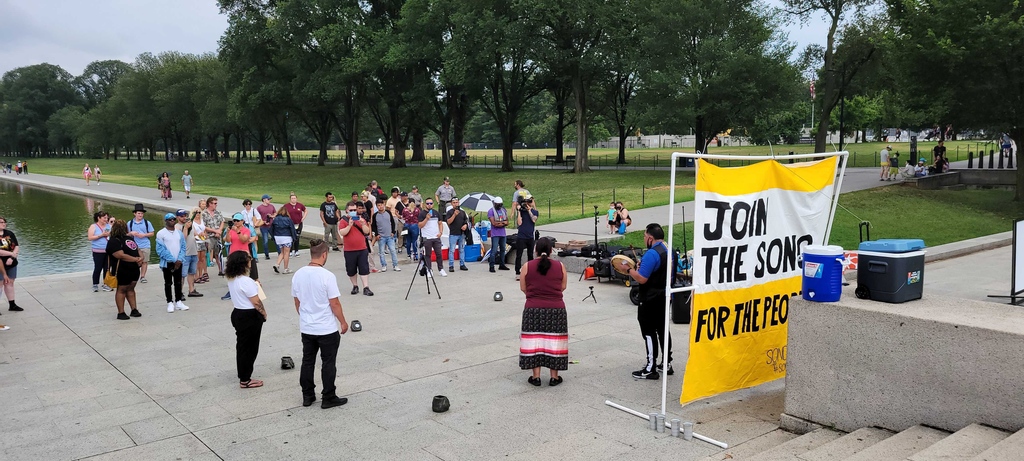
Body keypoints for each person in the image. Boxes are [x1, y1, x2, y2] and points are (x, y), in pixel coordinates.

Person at [292, 239, 349, 409]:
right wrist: (343, 322)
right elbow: (335, 304)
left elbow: (297, 302)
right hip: (326, 328)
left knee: (307, 361)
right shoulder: (327, 276)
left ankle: (308, 395)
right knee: (328, 362)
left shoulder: (298, 274)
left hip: (307, 327)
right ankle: (328, 396)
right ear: (324, 255)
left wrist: (305, 317)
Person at [615, 223, 674, 380]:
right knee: (663, 330)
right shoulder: (669, 249)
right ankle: (667, 363)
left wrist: (629, 270)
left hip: (650, 298)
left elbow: (642, 279)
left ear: (650, 238)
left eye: (644, 237)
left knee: (648, 332)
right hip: (664, 296)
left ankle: (650, 368)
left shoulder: (651, 254)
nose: (644, 239)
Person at [519, 237, 568, 386]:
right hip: (556, 309)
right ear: (551, 250)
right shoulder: (560, 266)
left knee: (535, 340)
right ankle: (554, 377)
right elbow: (563, 286)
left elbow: (523, 287)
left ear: (535, 250)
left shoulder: (527, 266)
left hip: (533, 309)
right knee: (555, 341)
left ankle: (536, 377)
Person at [225, 251, 267, 389]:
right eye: (249, 259)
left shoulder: (232, 278)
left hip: (238, 312)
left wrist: (254, 284)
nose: (251, 260)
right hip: (249, 316)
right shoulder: (246, 281)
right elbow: (256, 302)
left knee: (242, 346)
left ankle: (244, 376)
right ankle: (245, 379)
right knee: (250, 348)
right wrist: (264, 313)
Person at [106, 219, 143, 320]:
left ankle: (134, 309)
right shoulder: (113, 241)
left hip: (133, 268)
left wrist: (141, 258)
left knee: (130, 288)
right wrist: (136, 259)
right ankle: (121, 312)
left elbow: (138, 249)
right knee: (122, 289)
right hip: (122, 269)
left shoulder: (129, 238)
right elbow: (119, 255)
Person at [156, 213, 189, 313]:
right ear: (166, 221)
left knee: (178, 282)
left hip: (179, 261)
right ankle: (169, 302)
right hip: (168, 263)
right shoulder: (161, 233)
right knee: (168, 283)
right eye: (170, 219)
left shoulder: (179, 233)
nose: (172, 221)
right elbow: (160, 250)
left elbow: (183, 246)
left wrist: (180, 259)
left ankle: (178, 301)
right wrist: (173, 260)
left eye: (174, 219)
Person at [339, 201, 374, 295]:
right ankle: (355, 285)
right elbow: (342, 233)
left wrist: (363, 224)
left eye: (355, 209)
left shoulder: (360, 219)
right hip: (349, 250)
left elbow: (366, 231)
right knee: (351, 269)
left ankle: (366, 287)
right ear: (347, 210)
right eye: (351, 210)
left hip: (362, 248)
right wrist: (349, 225)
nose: (354, 211)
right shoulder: (343, 221)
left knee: (364, 268)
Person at [176, 209, 202, 298]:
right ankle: (179, 292)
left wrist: (201, 235)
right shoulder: (177, 227)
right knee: (182, 274)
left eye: (185, 216)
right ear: (177, 217)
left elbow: (195, 234)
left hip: (193, 251)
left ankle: (191, 290)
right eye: (182, 216)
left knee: (192, 272)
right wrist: (186, 228)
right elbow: (183, 238)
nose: (184, 218)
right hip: (185, 254)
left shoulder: (191, 224)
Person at [127, 204, 154, 283]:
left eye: (142, 213)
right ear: (134, 213)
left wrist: (144, 235)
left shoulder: (147, 223)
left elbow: (152, 233)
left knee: (145, 261)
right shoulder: (130, 223)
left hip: (145, 244)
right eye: (139, 213)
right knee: (134, 261)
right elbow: (126, 234)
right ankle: (133, 275)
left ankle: (142, 276)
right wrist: (131, 233)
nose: (140, 215)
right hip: (133, 245)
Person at [418, 198, 446, 277]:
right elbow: (420, 225)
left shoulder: (436, 213)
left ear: (433, 204)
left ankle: (441, 269)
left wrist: (440, 232)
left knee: (439, 254)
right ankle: (429, 269)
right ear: (425, 205)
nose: (429, 205)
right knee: (428, 254)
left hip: (436, 237)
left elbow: (440, 223)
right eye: (427, 203)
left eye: (430, 203)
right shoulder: (422, 214)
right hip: (427, 237)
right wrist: (426, 219)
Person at [514, 195, 539, 281]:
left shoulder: (535, 212)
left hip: (530, 237)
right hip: (521, 236)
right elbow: (519, 223)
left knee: (530, 255)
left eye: (531, 201)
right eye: (529, 201)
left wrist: (529, 211)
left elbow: (534, 220)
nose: (530, 203)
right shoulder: (522, 211)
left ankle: (530, 271)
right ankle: (517, 272)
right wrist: (519, 211)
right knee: (519, 255)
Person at [372, 200, 401, 272]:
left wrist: (393, 232)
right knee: (381, 252)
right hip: (381, 236)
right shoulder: (375, 215)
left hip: (389, 236)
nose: (380, 206)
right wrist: (376, 234)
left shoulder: (388, 213)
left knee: (393, 250)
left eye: (381, 205)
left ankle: (395, 265)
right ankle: (384, 265)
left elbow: (392, 222)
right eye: (378, 205)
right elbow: (374, 226)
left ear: (384, 205)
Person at [88, 211, 113, 293]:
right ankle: (95, 284)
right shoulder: (93, 226)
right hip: (97, 251)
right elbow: (90, 237)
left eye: (106, 218)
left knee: (107, 268)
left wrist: (109, 235)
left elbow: (113, 236)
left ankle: (106, 284)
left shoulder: (109, 226)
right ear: (98, 218)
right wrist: (101, 235)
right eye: (104, 218)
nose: (106, 219)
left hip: (107, 250)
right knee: (98, 267)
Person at [0, 217, 20, 312]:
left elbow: (16, 246)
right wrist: (11, 254)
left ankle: (12, 304)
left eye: (4, 222)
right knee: (0, 284)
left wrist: (12, 257)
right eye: (1, 222)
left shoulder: (9, 233)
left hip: (11, 262)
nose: (3, 224)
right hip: (0, 263)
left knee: (10, 282)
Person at [202, 197, 226, 276]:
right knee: (205, 254)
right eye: (214, 203)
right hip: (208, 237)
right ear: (210, 204)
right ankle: (205, 272)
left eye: (216, 203)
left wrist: (219, 231)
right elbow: (203, 226)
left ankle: (221, 270)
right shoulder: (204, 213)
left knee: (218, 254)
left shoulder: (218, 212)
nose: (216, 205)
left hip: (217, 236)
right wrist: (215, 231)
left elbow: (222, 221)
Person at [446, 196, 469, 272]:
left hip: (461, 233)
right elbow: (448, 222)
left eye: (457, 202)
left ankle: (462, 264)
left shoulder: (462, 212)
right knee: (452, 250)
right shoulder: (449, 212)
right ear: (451, 204)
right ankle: (451, 265)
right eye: (454, 203)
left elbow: (466, 221)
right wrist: (454, 215)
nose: (456, 204)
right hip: (453, 233)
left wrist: (465, 225)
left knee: (461, 249)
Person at [272, 207, 298, 274]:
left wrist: (273, 237)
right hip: (286, 237)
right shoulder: (288, 219)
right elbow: (292, 229)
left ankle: (277, 264)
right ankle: (286, 268)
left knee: (282, 252)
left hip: (278, 237)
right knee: (287, 253)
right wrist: (294, 237)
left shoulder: (275, 219)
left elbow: (271, 228)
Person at [488, 197, 511, 272]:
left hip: (502, 234)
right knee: (494, 250)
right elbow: (494, 223)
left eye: (500, 204)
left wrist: (500, 223)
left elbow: (507, 222)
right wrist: (502, 223)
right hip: (495, 234)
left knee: (503, 249)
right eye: (498, 204)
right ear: (494, 204)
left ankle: (502, 264)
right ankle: (491, 266)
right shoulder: (491, 211)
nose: (499, 206)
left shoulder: (503, 210)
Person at [282, 193, 307, 257]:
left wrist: (303, 218)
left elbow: (305, 210)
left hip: (298, 223)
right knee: (290, 237)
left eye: (294, 198)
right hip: (290, 224)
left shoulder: (300, 205)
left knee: (297, 237)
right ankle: (290, 251)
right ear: (290, 199)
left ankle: (296, 250)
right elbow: (282, 213)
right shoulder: (286, 206)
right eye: (292, 198)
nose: (293, 199)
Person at [191, 208, 209, 284]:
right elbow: (194, 232)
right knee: (197, 259)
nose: (198, 214)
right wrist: (199, 234)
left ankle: (201, 274)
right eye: (196, 212)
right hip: (196, 241)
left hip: (203, 241)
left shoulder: (201, 221)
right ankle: (196, 276)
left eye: (199, 212)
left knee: (202, 258)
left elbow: (205, 230)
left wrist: (205, 234)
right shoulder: (192, 222)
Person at [256, 194, 276, 260]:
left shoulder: (271, 206)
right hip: (263, 226)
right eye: (268, 199)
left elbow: (275, 213)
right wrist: (263, 222)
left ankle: (280, 253)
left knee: (276, 239)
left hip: (271, 225)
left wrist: (272, 216)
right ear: (264, 200)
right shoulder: (259, 208)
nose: (269, 200)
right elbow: (257, 217)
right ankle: (266, 254)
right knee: (265, 241)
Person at [400, 193, 420, 259]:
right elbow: (419, 217)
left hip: (407, 225)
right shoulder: (417, 210)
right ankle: (415, 254)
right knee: (414, 240)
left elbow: (403, 217)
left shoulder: (405, 209)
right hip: (414, 225)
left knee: (408, 240)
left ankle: (408, 254)